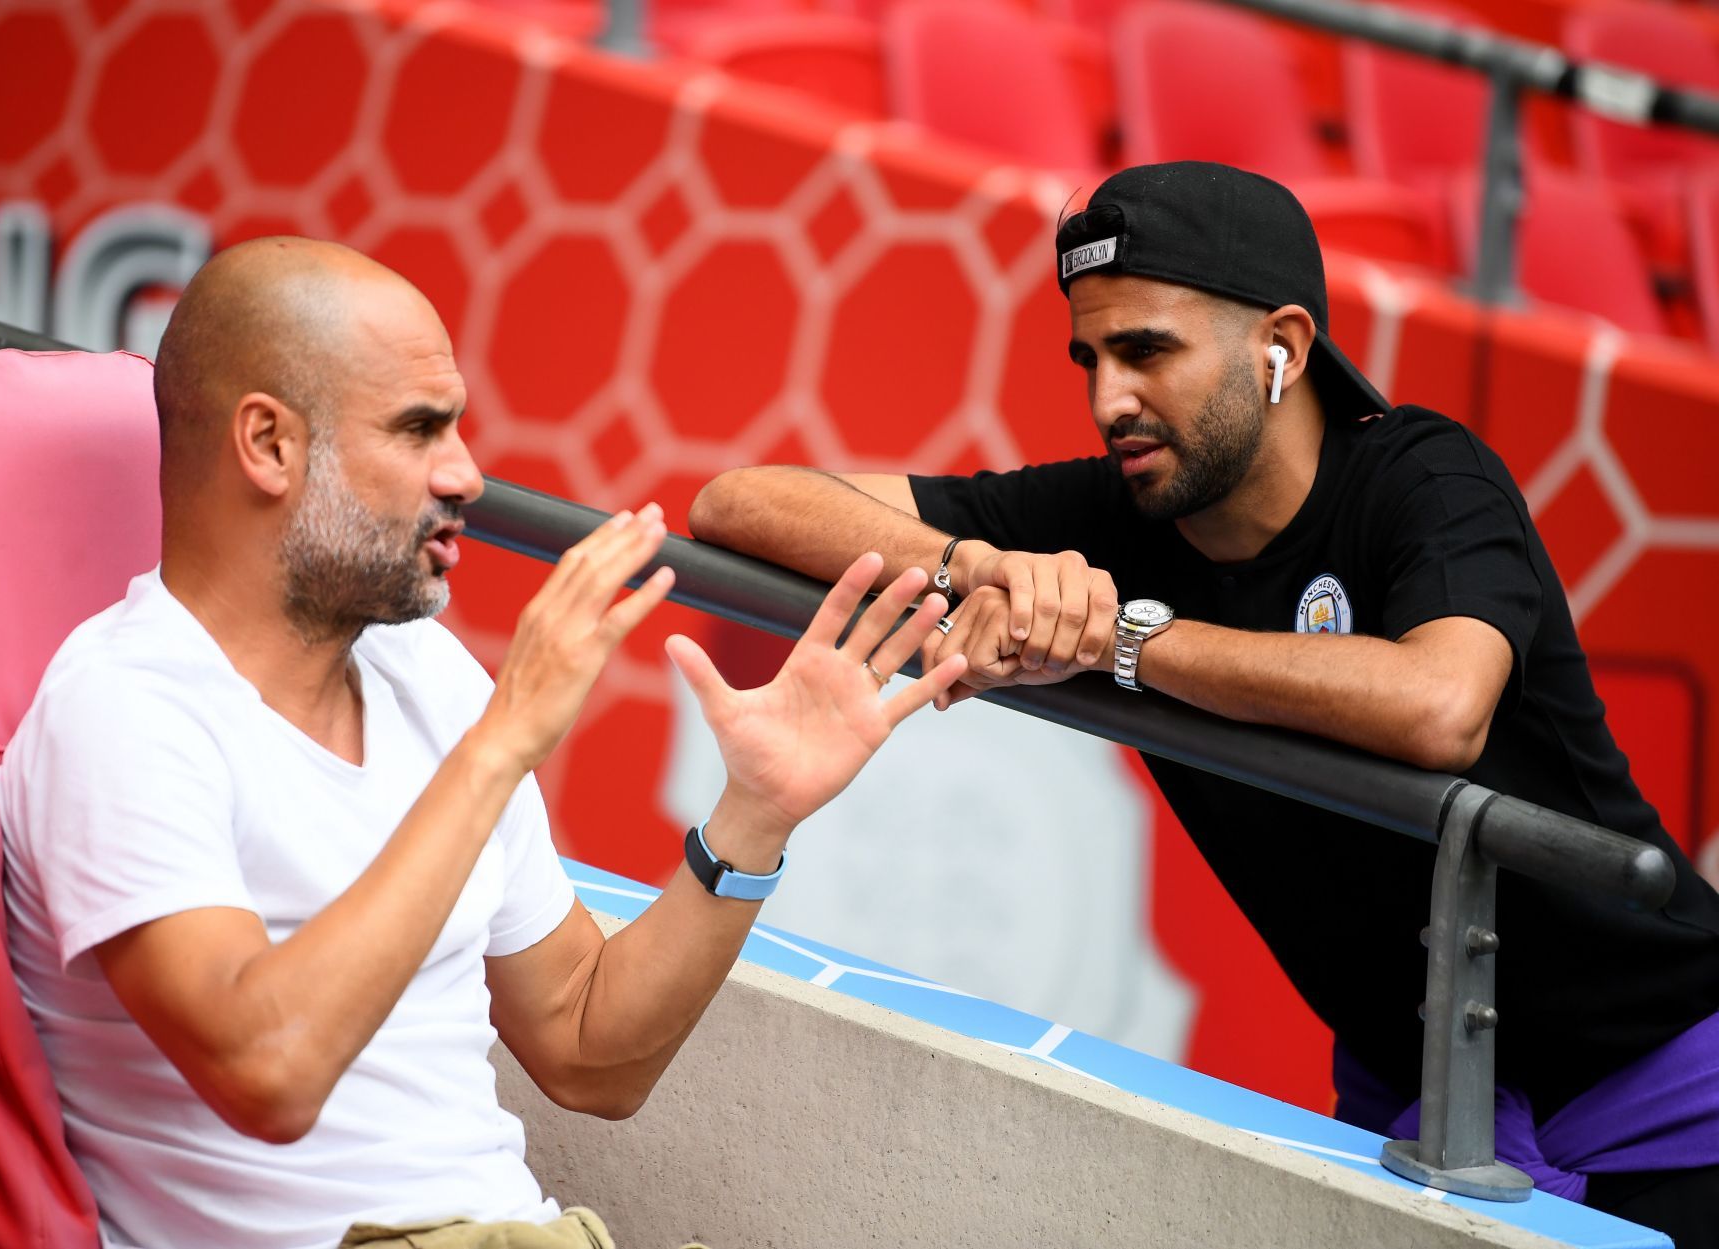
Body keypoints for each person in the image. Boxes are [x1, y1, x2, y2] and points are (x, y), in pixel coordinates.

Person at [688, 161, 1719, 1243]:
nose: (1106, 400)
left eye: (1146, 351)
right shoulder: (1117, 509)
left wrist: (1129, 638)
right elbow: (739, 500)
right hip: (1420, 1116)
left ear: (1281, 346)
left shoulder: (1426, 475)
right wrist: (973, 563)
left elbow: (1437, 706)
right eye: (1090, 356)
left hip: (1669, 1095)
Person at [0, 237, 966, 1249]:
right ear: (269, 445)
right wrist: (500, 743)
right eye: (420, 429)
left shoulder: (426, 674)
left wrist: (753, 818)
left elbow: (591, 1052)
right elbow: (265, 1073)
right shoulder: (119, 708)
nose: (465, 473)